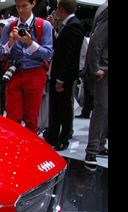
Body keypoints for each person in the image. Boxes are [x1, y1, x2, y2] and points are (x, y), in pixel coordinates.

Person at [0, 0, 54, 134]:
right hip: (14, 73)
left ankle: (30, 152)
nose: (21, 10)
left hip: (35, 74)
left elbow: (47, 54)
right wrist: (10, 43)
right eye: (18, 6)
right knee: (12, 117)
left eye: (24, 6)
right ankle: (13, 149)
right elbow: (0, 54)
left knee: (31, 118)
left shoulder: (43, 25)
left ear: (33, 3)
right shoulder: (10, 27)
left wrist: (30, 42)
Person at [46, 0, 85, 151]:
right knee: (55, 107)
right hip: (58, 74)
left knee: (64, 109)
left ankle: (63, 138)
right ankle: (53, 137)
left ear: (61, 8)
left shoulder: (73, 25)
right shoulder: (66, 25)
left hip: (64, 77)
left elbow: (71, 55)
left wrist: (61, 79)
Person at [84, 0, 108, 167]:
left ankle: (98, 146)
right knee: (102, 108)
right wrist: (95, 67)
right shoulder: (107, 9)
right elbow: (96, 40)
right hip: (104, 70)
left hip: (104, 67)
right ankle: (92, 150)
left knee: (105, 108)